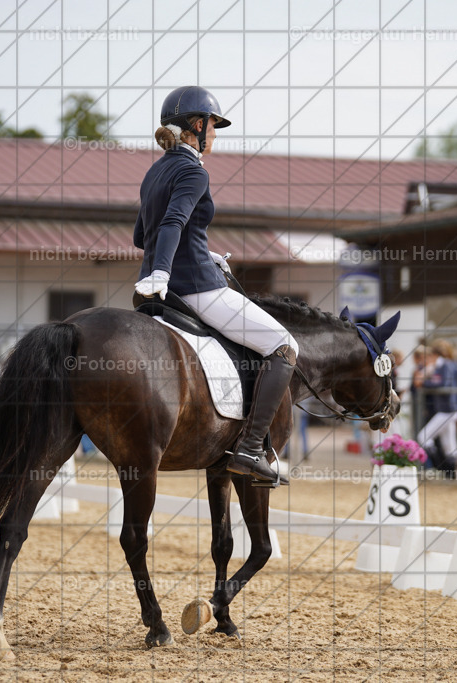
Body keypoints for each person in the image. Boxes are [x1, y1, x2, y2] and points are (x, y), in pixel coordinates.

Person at [133, 86, 296, 486]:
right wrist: (165, 273)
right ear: (197, 126)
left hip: (166, 287)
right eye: (214, 126)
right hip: (195, 289)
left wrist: (202, 256)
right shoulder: (193, 170)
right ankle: (251, 448)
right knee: (284, 345)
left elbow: (142, 237)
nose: (216, 135)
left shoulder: (155, 171)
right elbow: (172, 224)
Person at [412, 341, 457, 474]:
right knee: (449, 444)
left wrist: (424, 383)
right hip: (446, 409)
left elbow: (442, 383)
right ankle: (449, 473)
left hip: (448, 409)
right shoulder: (440, 365)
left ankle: (439, 466)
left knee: (423, 436)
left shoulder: (445, 365)